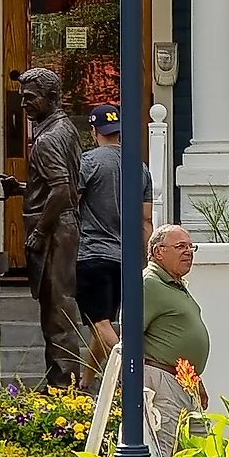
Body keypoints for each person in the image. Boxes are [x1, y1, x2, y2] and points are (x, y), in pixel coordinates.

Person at [19, 68, 92, 388]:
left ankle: (64, 385)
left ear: (52, 98)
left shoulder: (47, 139)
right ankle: (63, 381)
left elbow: (62, 190)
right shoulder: (65, 128)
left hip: (54, 231)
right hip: (64, 226)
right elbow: (56, 184)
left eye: (31, 98)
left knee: (56, 311)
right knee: (59, 305)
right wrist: (24, 187)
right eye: (21, 98)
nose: (24, 104)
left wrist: (39, 232)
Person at [75, 104, 154, 385]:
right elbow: (146, 220)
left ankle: (136, 375)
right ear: (119, 132)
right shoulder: (140, 168)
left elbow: (72, 201)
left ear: (94, 131)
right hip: (126, 259)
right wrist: (148, 261)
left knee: (100, 323)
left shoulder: (88, 163)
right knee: (104, 320)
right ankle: (86, 382)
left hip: (92, 255)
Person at [138, 223, 211, 457]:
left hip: (185, 383)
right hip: (162, 383)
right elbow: (132, 334)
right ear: (158, 252)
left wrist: (195, 382)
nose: (189, 252)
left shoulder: (174, 284)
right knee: (160, 456)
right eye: (181, 246)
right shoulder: (149, 283)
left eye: (191, 246)